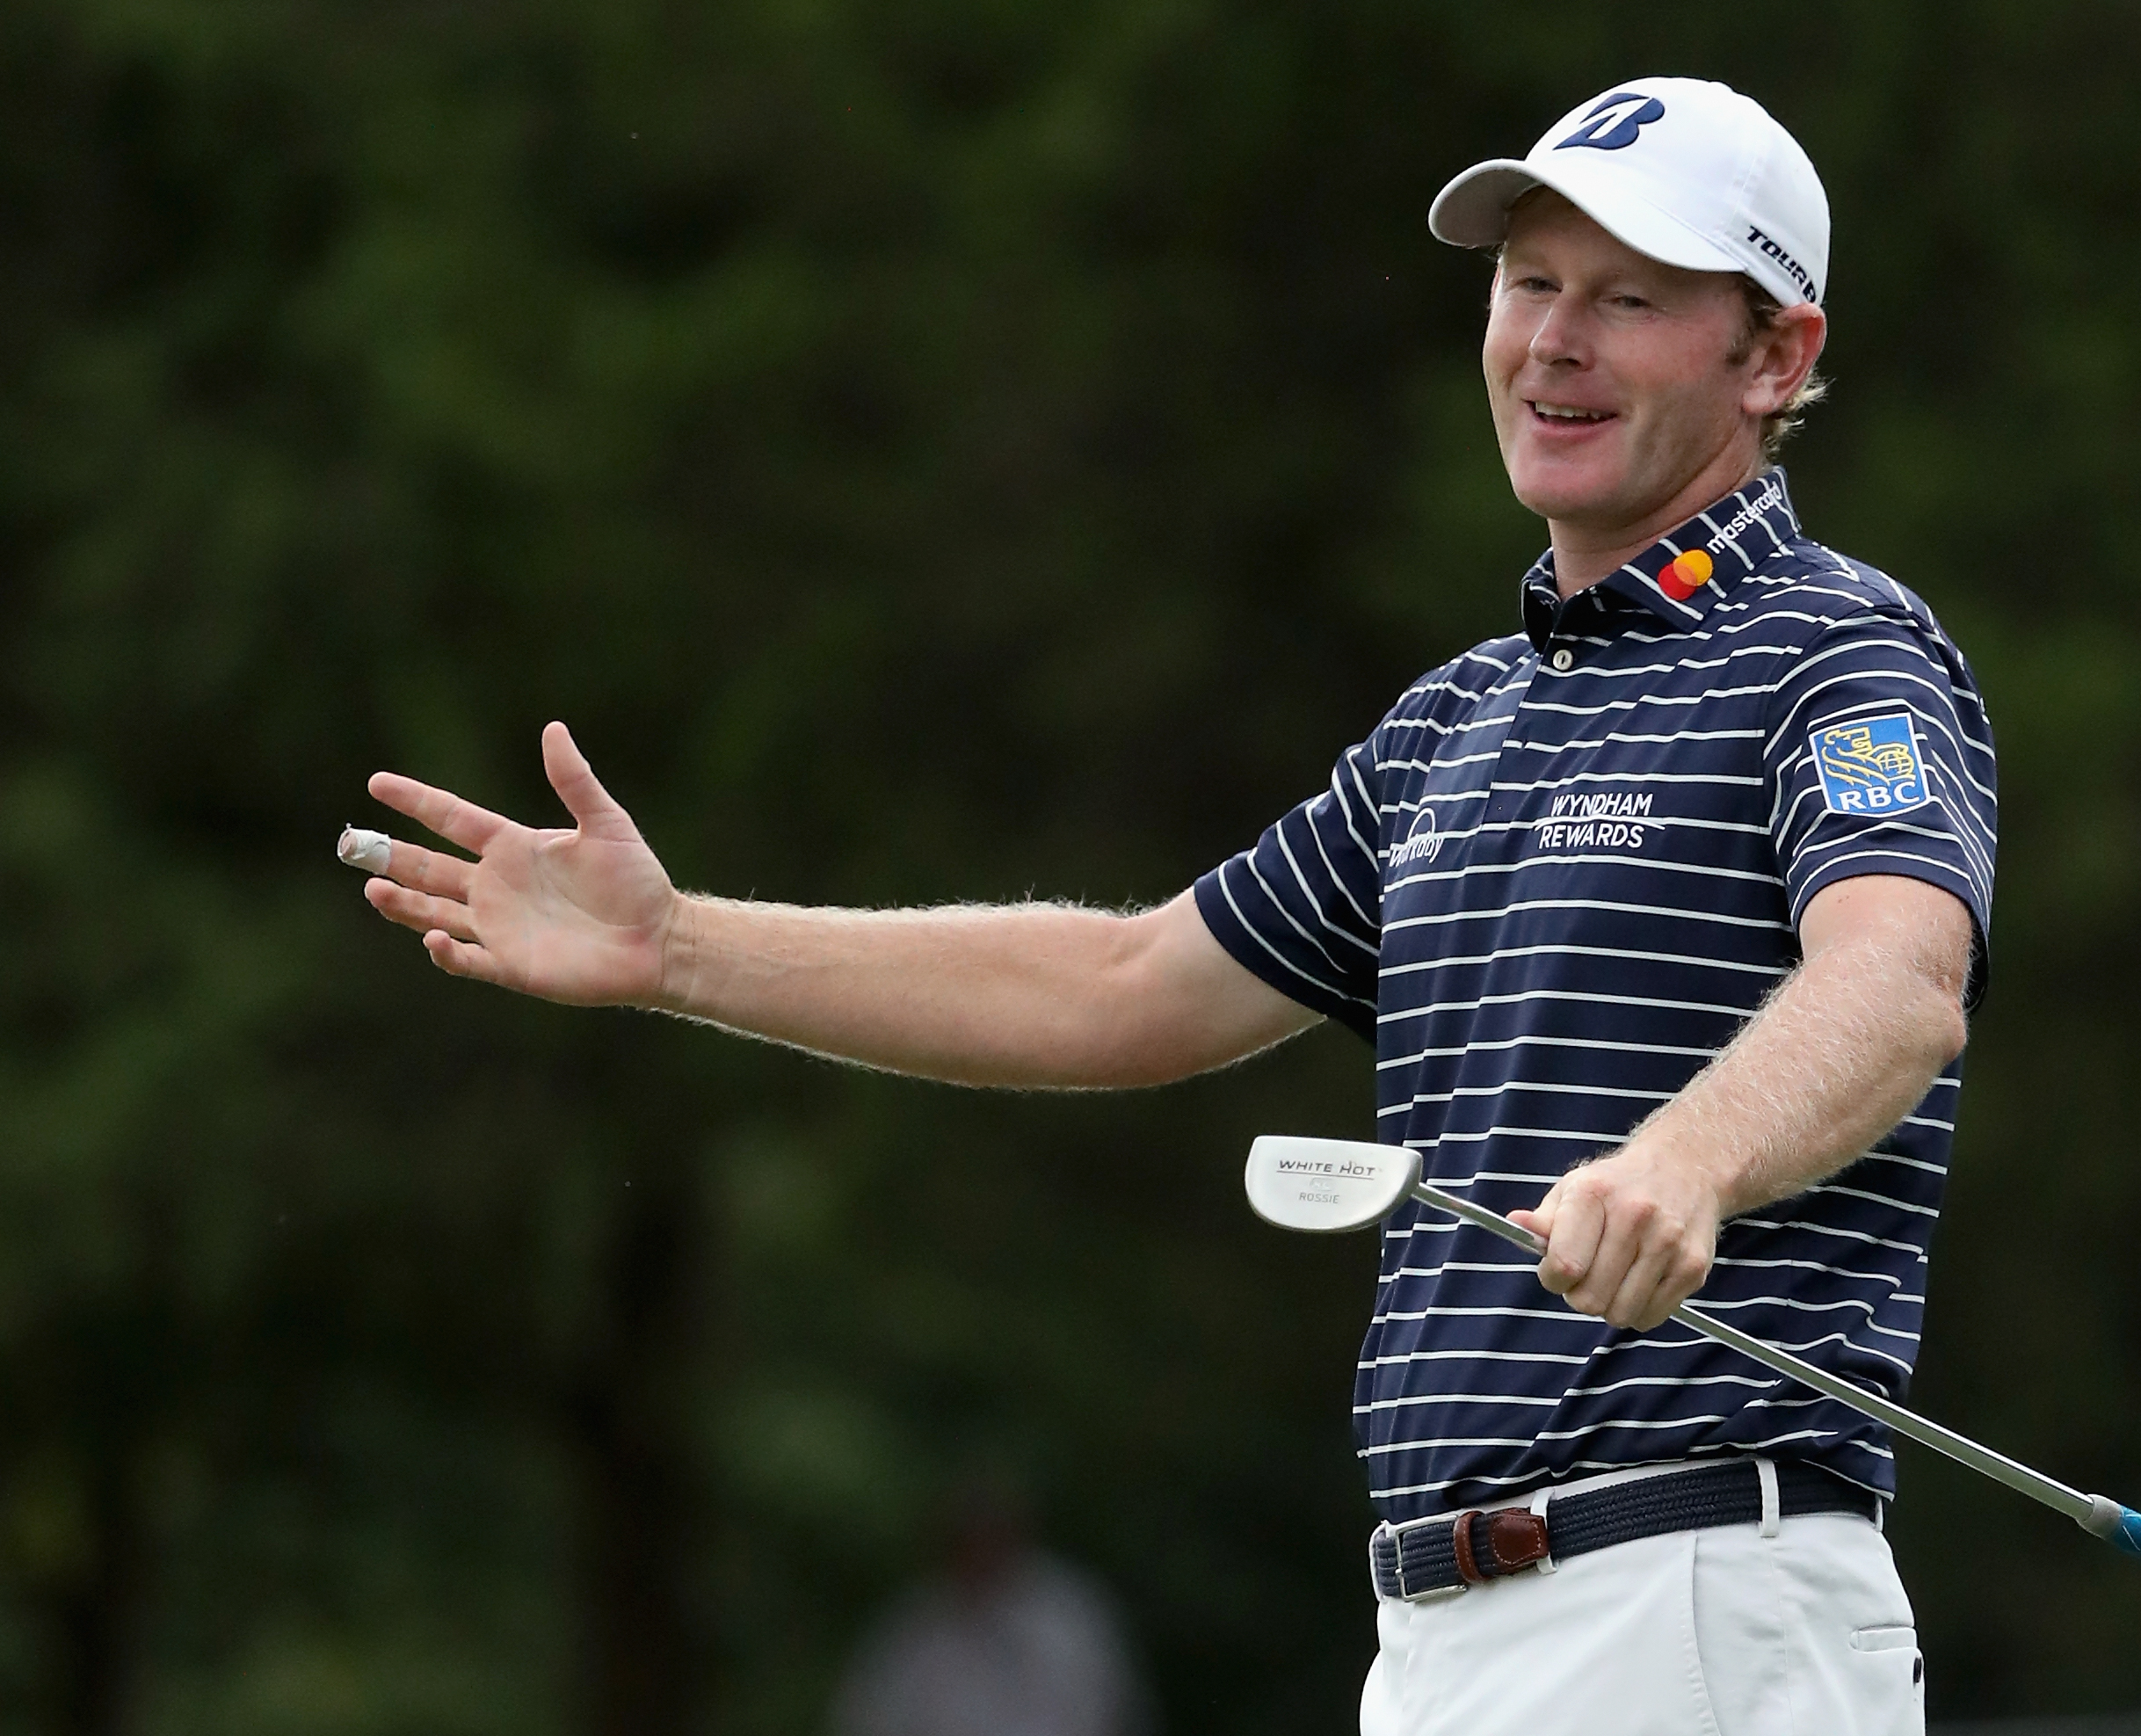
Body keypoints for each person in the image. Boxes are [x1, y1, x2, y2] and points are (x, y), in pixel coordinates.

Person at [352, 76, 1992, 1736]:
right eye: (1528, 284)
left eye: (1628, 300)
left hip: (1691, 1601)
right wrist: (679, 946)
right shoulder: (1456, 727)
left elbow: (1897, 977)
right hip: (1448, 1631)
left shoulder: (1835, 651)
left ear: (1775, 357)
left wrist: (1684, 1162)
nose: (1552, 340)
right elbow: (1127, 988)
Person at [828, 1477, 1150, 1736]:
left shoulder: (1071, 1618)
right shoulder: (910, 1633)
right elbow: (867, 1719)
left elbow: (1112, 1711)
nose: (979, 1556)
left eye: (989, 1540)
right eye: (967, 1543)